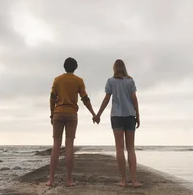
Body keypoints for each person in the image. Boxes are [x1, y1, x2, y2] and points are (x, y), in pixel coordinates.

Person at [47, 57, 97, 187]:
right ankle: (69, 180)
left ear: (64, 67)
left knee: (56, 145)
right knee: (69, 145)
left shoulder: (57, 80)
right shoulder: (78, 81)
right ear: (75, 68)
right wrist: (93, 114)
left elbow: (52, 98)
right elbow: (85, 99)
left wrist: (52, 114)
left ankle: (51, 180)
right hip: (71, 114)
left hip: (58, 113)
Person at [94, 59, 142, 187]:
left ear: (114, 68)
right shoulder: (130, 81)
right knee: (131, 148)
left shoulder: (111, 81)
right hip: (130, 115)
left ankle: (123, 180)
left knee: (119, 148)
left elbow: (106, 99)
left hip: (116, 116)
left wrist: (98, 114)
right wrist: (138, 115)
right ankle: (134, 180)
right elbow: (134, 99)